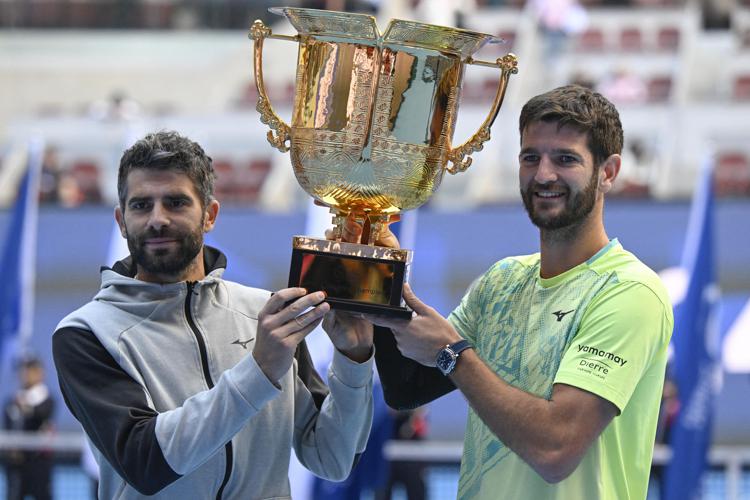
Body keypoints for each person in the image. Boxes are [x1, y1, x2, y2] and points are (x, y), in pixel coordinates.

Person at [367, 85, 674, 499]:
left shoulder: (630, 291)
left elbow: (555, 448)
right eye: (531, 158)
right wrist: (380, 285)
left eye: (565, 159)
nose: (543, 174)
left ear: (608, 172)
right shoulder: (501, 281)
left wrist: (453, 354)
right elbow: (407, 387)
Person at [52, 130, 376, 499]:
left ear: (210, 215)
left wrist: (353, 361)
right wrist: (259, 371)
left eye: (176, 203)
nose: (157, 219)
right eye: (141, 206)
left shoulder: (264, 316)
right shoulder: (86, 333)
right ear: (121, 221)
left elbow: (332, 459)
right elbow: (144, 461)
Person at [2, 356, 56, 500]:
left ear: (40, 373)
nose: (26, 374)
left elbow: (43, 413)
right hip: (16, 464)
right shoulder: (12, 401)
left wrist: (27, 408)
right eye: (24, 370)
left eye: (31, 370)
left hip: (38, 464)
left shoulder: (47, 399)